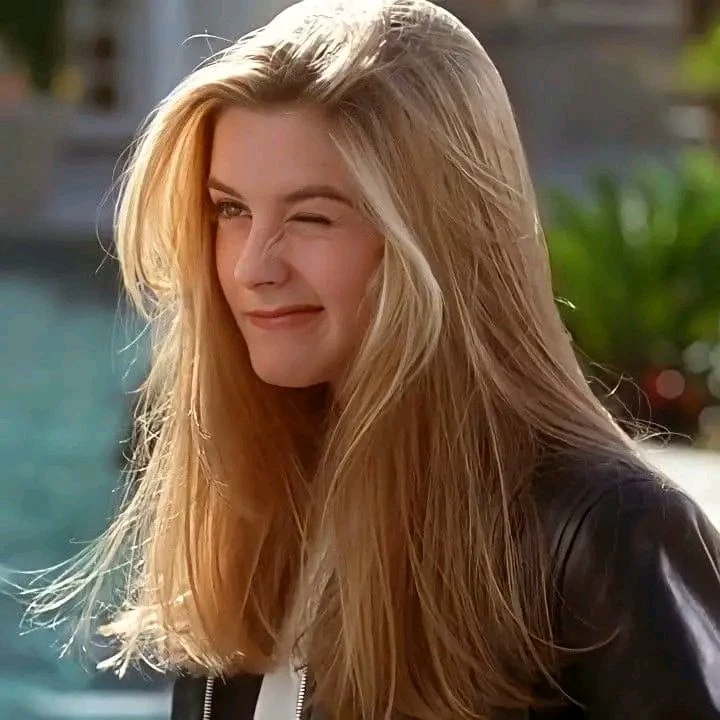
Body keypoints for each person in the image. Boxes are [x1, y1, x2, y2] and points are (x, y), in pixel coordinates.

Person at [27, 0, 720, 718]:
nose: (252, 267)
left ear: (438, 237)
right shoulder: (255, 521)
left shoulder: (604, 538)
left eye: (311, 217)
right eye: (231, 210)